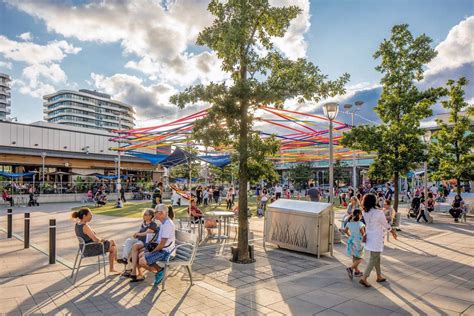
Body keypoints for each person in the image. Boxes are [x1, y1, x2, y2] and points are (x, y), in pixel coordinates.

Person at [129, 204, 175, 285]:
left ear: (162, 213)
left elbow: (162, 244)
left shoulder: (167, 224)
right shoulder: (164, 223)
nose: (154, 214)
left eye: (156, 212)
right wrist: (148, 250)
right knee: (140, 254)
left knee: (142, 261)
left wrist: (151, 251)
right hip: (162, 249)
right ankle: (160, 270)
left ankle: (159, 272)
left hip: (166, 252)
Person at [359, 193, 397, 288]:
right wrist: (392, 231)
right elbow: (385, 224)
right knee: (374, 258)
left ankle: (379, 275)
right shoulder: (379, 213)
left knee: (376, 256)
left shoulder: (365, 211)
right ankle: (364, 277)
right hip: (376, 237)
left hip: (370, 236)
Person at [72, 208, 118, 272]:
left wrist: (102, 240)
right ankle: (114, 263)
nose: (91, 216)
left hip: (84, 248)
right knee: (113, 247)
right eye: (90, 215)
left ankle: (115, 262)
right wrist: (103, 240)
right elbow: (95, 239)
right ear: (84, 216)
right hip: (90, 248)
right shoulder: (85, 226)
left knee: (113, 245)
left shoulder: (77, 224)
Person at [344, 209, 366, 279]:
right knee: (361, 258)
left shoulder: (349, 223)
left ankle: (356, 271)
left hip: (351, 241)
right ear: (359, 215)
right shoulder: (360, 224)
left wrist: (350, 235)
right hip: (358, 242)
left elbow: (345, 231)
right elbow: (363, 234)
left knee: (354, 256)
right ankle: (351, 268)